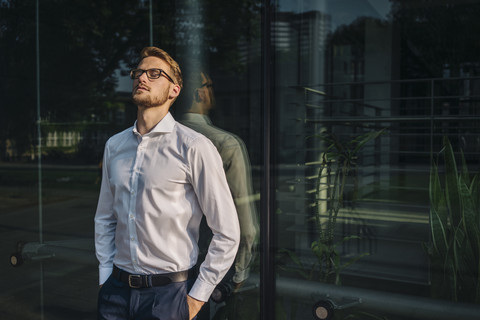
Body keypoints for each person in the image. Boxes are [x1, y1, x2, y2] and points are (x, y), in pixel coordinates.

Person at [94, 47, 240, 320]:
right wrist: (105, 277)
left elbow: (227, 232)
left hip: (169, 295)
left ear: (174, 90)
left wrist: (196, 298)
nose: (142, 77)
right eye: (138, 72)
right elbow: (105, 217)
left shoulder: (194, 147)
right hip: (115, 291)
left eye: (154, 73)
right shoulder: (114, 145)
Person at [179, 71, 259, 318]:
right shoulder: (225, 144)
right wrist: (240, 272)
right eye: (210, 85)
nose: (213, 91)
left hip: (164, 272)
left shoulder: (155, 141)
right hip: (209, 267)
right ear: (199, 93)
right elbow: (245, 224)